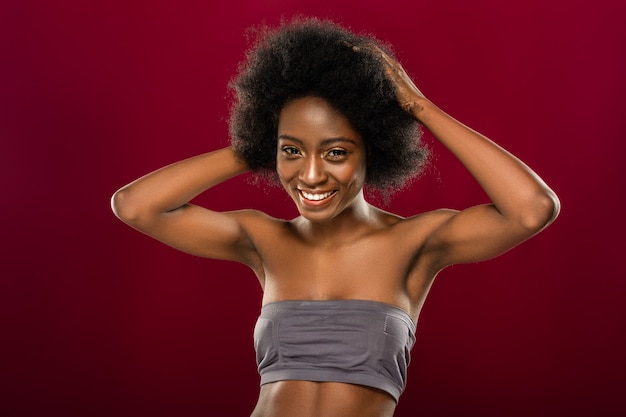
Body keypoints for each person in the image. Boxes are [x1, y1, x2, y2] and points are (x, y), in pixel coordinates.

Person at [111, 17, 560, 417]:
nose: (310, 174)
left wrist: (417, 106)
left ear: (375, 150)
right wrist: (262, 145)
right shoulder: (262, 238)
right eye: (292, 151)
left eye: (336, 152)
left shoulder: (417, 241)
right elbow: (135, 205)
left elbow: (531, 209)